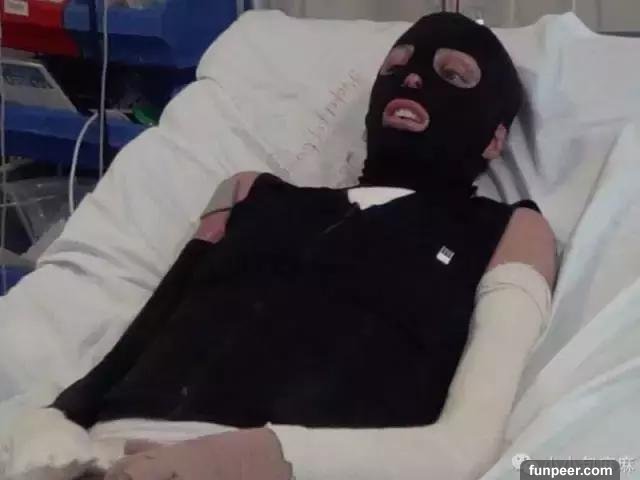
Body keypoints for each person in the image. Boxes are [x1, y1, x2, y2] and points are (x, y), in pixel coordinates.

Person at [1, 12, 555, 480]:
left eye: (452, 76)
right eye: (395, 67)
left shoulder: (511, 231)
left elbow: (465, 447)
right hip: (94, 456)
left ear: (495, 138)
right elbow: (148, 329)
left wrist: (245, 460)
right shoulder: (248, 193)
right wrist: (54, 419)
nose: (411, 79)